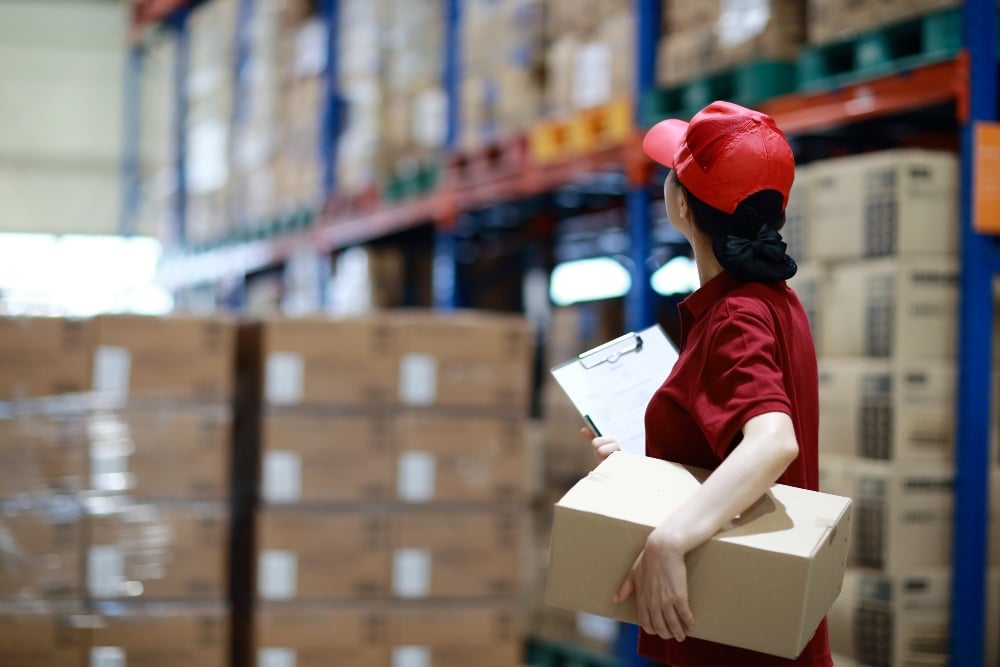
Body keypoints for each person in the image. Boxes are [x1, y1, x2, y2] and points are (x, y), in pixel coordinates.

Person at [582, 101, 831, 667]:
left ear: (682, 204)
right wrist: (643, 465)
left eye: (673, 172)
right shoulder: (773, 302)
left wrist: (670, 538)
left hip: (735, 639)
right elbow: (729, 450)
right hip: (760, 618)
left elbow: (773, 442)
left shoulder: (735, 318)